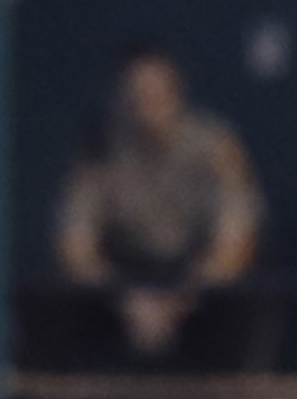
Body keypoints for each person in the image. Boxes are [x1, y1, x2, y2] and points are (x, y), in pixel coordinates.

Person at [51, 45, 267, 370]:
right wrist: (125, 297)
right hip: (127, 277)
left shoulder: (215, 145)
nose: (148, 105)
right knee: (63, 299)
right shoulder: (99, 150)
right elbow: (75, 245)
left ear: (177, 93)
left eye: (159, 93)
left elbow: (237, 239)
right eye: (137, 95)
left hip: (195, 280)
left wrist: (181, 298)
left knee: (247, 288)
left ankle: (235, 390)